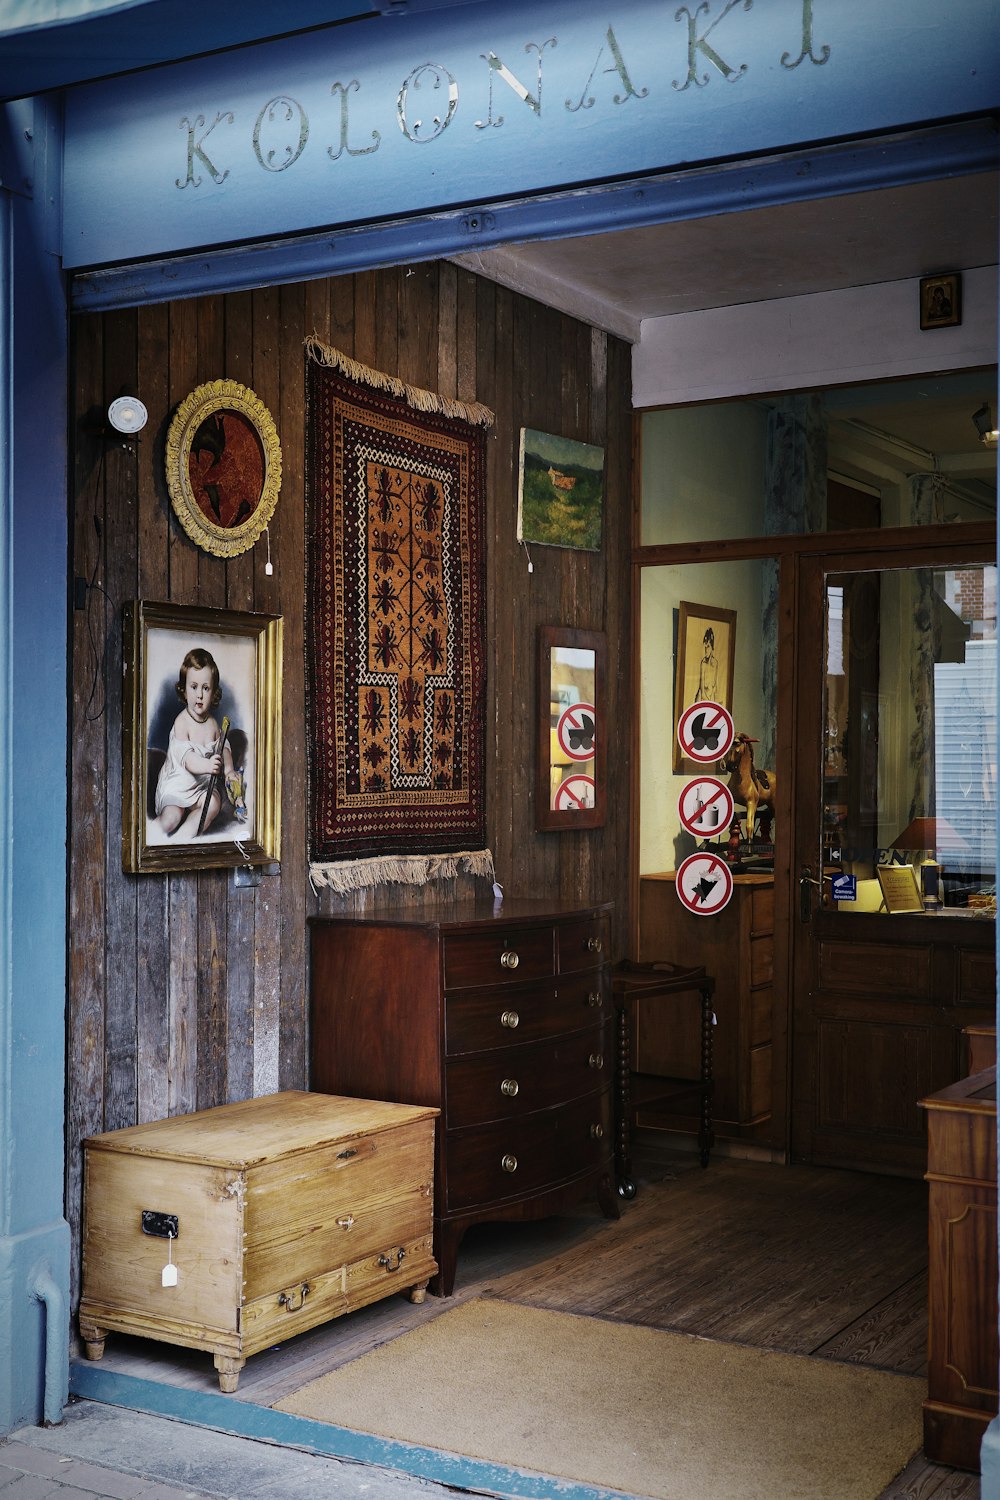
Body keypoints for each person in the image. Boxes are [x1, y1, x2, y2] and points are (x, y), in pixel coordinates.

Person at [154, 647, 240, 836]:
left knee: (213, 804)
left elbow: (223, 746)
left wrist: (228, 770)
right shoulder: (182, 722)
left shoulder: (212, 724)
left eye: (206, 688)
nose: (199, 695)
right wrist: (208, 765)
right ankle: (157, 835)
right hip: (178, 785)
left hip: (201, 787)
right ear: (184, 690)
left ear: (213, 692)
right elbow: (188, 759)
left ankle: (184, 837)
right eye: (194, 687)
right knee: (172, 816)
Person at [695, 626, 719, 703]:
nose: (706, 650)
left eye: (708, 646)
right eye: (705, 647)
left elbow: (714, 687)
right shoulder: (703, 663)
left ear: (712, 647)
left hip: (710, 699)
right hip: (702, 699)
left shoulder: (715, 663)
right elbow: (701, 689)